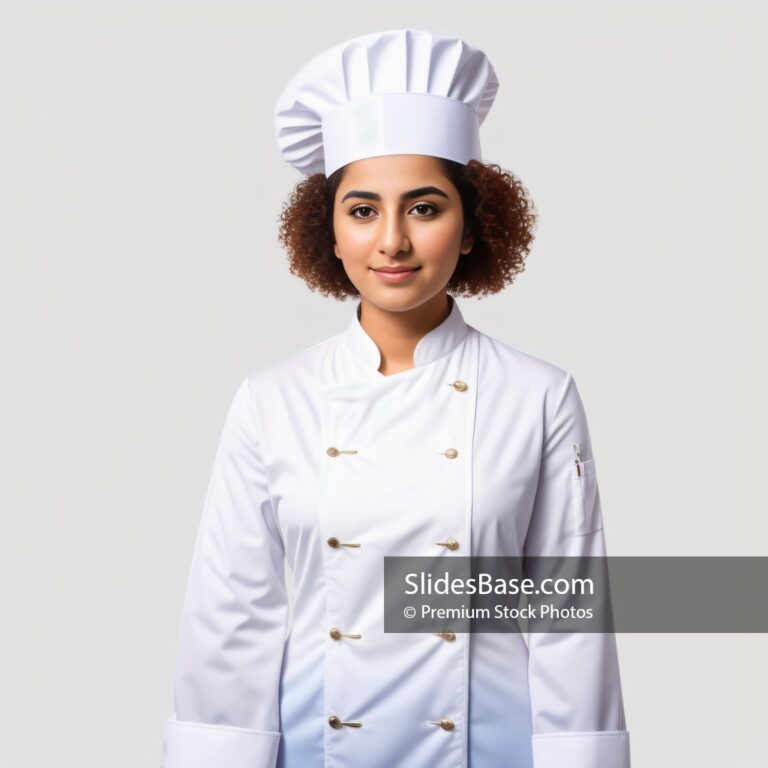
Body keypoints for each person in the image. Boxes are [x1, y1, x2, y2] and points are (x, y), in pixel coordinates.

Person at [162, 28, 631, 768]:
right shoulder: (271, 401)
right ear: (330, 233)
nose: (392, 242)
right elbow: (232, 616)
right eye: (362, 210)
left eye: (423, 207)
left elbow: (568, 616)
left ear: (474, 225)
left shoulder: (540, 397)